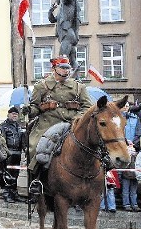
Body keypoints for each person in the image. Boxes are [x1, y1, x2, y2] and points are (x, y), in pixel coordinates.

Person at [23, 55, 92, 196]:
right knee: (35, 145)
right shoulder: (41, 86)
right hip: (47, 124)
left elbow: (88, 107)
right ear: (54, 69)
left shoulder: (79, 87)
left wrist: (78, 119)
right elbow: (35, 107)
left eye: (68, 68)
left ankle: (97, 177)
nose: (66, 71)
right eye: (63, 68)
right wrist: (29, 110)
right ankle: (37, 180)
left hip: (71, 124)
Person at [48, 0, 80, 70]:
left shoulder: (69, 2)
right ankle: (76, 78)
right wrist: (50, 11)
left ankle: (63, 79)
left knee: (63, 58)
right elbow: (52, 20)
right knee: (72, 59)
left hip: (68, 34)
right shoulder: (62, 11)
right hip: (66, 35)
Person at [0, 106, 26, 203]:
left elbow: (22, 140)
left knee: (15, 174)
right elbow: (2, 141)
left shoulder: (19, 126)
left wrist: (25, 150)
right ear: (8, 114)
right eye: (12, 114)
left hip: (17, 154)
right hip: (8, 153)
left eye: (16, 114)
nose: (14, 115)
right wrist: (5, 154)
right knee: (7, 175)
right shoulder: (3, 126)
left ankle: (14, 193)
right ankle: (7, 193)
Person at [120, 142, 139, 212]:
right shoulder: (124, 156)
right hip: (126, 175)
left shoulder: (137, 156)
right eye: (129, 146)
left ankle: (134, 205)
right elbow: (122, 165)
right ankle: (126, 205)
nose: (131, 148)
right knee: (125, 191)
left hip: (135, 176)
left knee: (133, 192)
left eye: (132, 146)